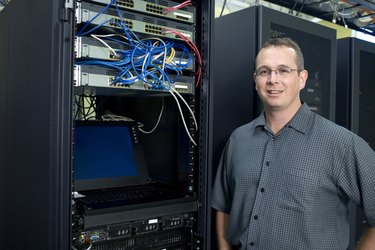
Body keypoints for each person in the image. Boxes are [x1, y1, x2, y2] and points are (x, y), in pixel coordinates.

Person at [211, 37, 375, 250]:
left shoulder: (340, 143)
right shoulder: (238, 140)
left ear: (302, 78)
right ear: (255, 80)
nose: (273, 79)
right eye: (264, 71)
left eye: (283, 70)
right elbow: (223, 207)